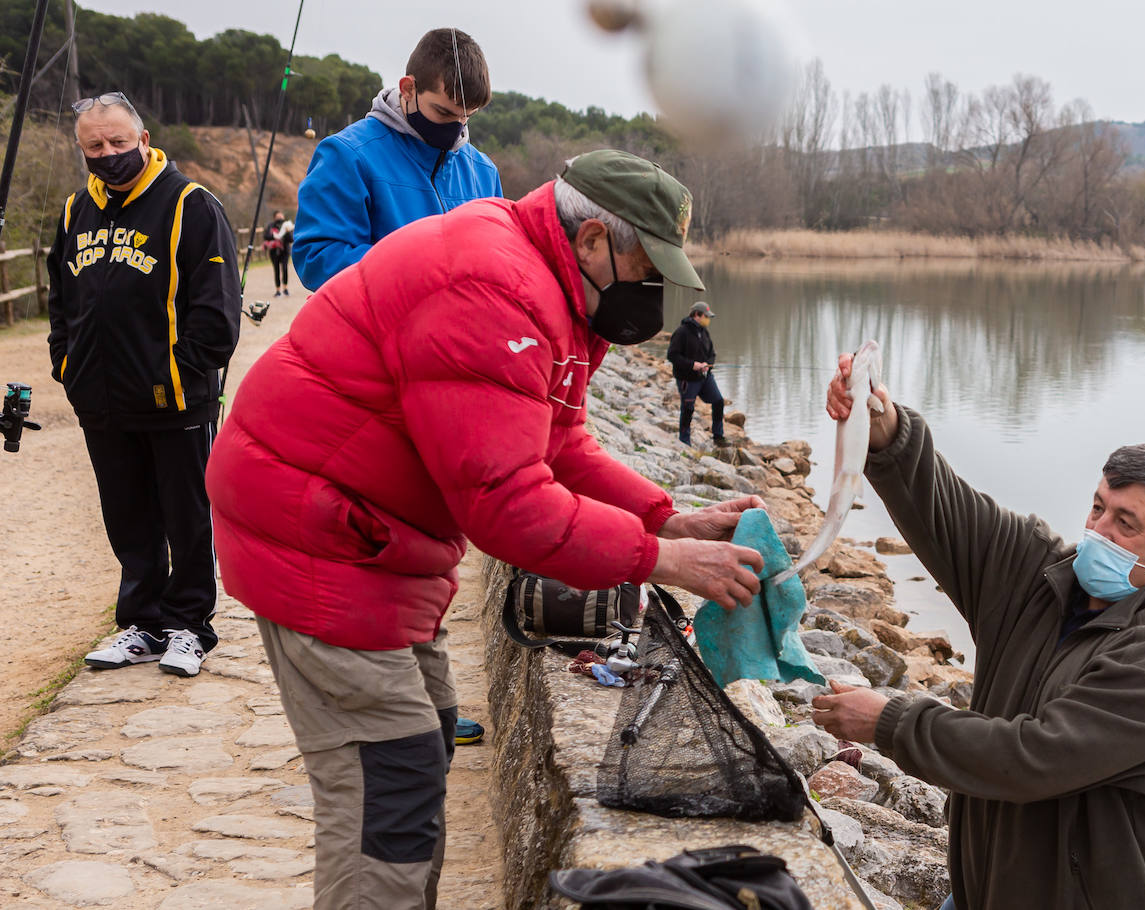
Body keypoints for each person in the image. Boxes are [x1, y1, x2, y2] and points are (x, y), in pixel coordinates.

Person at [205, 149, 764, 909]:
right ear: (594, 237)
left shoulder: (552, 286)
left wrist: (667, 516)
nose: (651, 288)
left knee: (426, 739)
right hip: (319, 533)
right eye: (645, 264)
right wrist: (660, 559)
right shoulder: (494, 289)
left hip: (374, 537)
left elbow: (559, 444)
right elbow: (506, 503)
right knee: (386, 786)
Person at [811, 352, 1145, 910]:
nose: (1098, 531)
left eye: (1125, 524)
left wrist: (890, 721)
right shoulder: (1040, 575)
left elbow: (1034, 756)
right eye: (1098, 508)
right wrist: (885, 430)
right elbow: (949, 511)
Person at [47, 92, 241, 678]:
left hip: (176, 400)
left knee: (187, 516)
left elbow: (216, 314)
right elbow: (61, 298)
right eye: (94, 146)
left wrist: (178, 371)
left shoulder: (192, 206)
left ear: (144, 139)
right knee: (127, 515)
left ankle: (189, 626)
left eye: (117, 143)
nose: (107, 155)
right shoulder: (75, 211)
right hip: (102, 399)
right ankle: (143, 622)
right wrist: (68, 365)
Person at [292, 27, 502, 291]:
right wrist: (418, 270)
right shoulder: (347, 154)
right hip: (380, 327)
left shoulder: (484, 172)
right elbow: (318, 257)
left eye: (467, 116)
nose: (457, 127)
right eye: (443, 113)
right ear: (408, 89)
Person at [666, 300, 726, 447]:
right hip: (687, 379)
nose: (708, 320)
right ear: (697, 315)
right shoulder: (681, 332)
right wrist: (692, 365)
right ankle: (684, 441)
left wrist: (707, 365)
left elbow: (712, 353)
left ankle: (718, 436)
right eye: (706, 316)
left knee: (718, 401)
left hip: (705, 377)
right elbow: (672, 355)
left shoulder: (704, 332)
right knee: (688, 408)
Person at [263, 210, 293, 297]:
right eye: (278, 216)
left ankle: (285, 288)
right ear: (274, 217)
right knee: (276, 270)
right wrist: (274, 236)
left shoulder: (287, 225)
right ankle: (278, 290)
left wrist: (287, 232)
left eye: (281, 216)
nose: (280, 217)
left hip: (285, 251)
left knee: (284, 268)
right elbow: (266, 236)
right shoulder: (270, 226)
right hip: (274, 251)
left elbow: (291, 239)